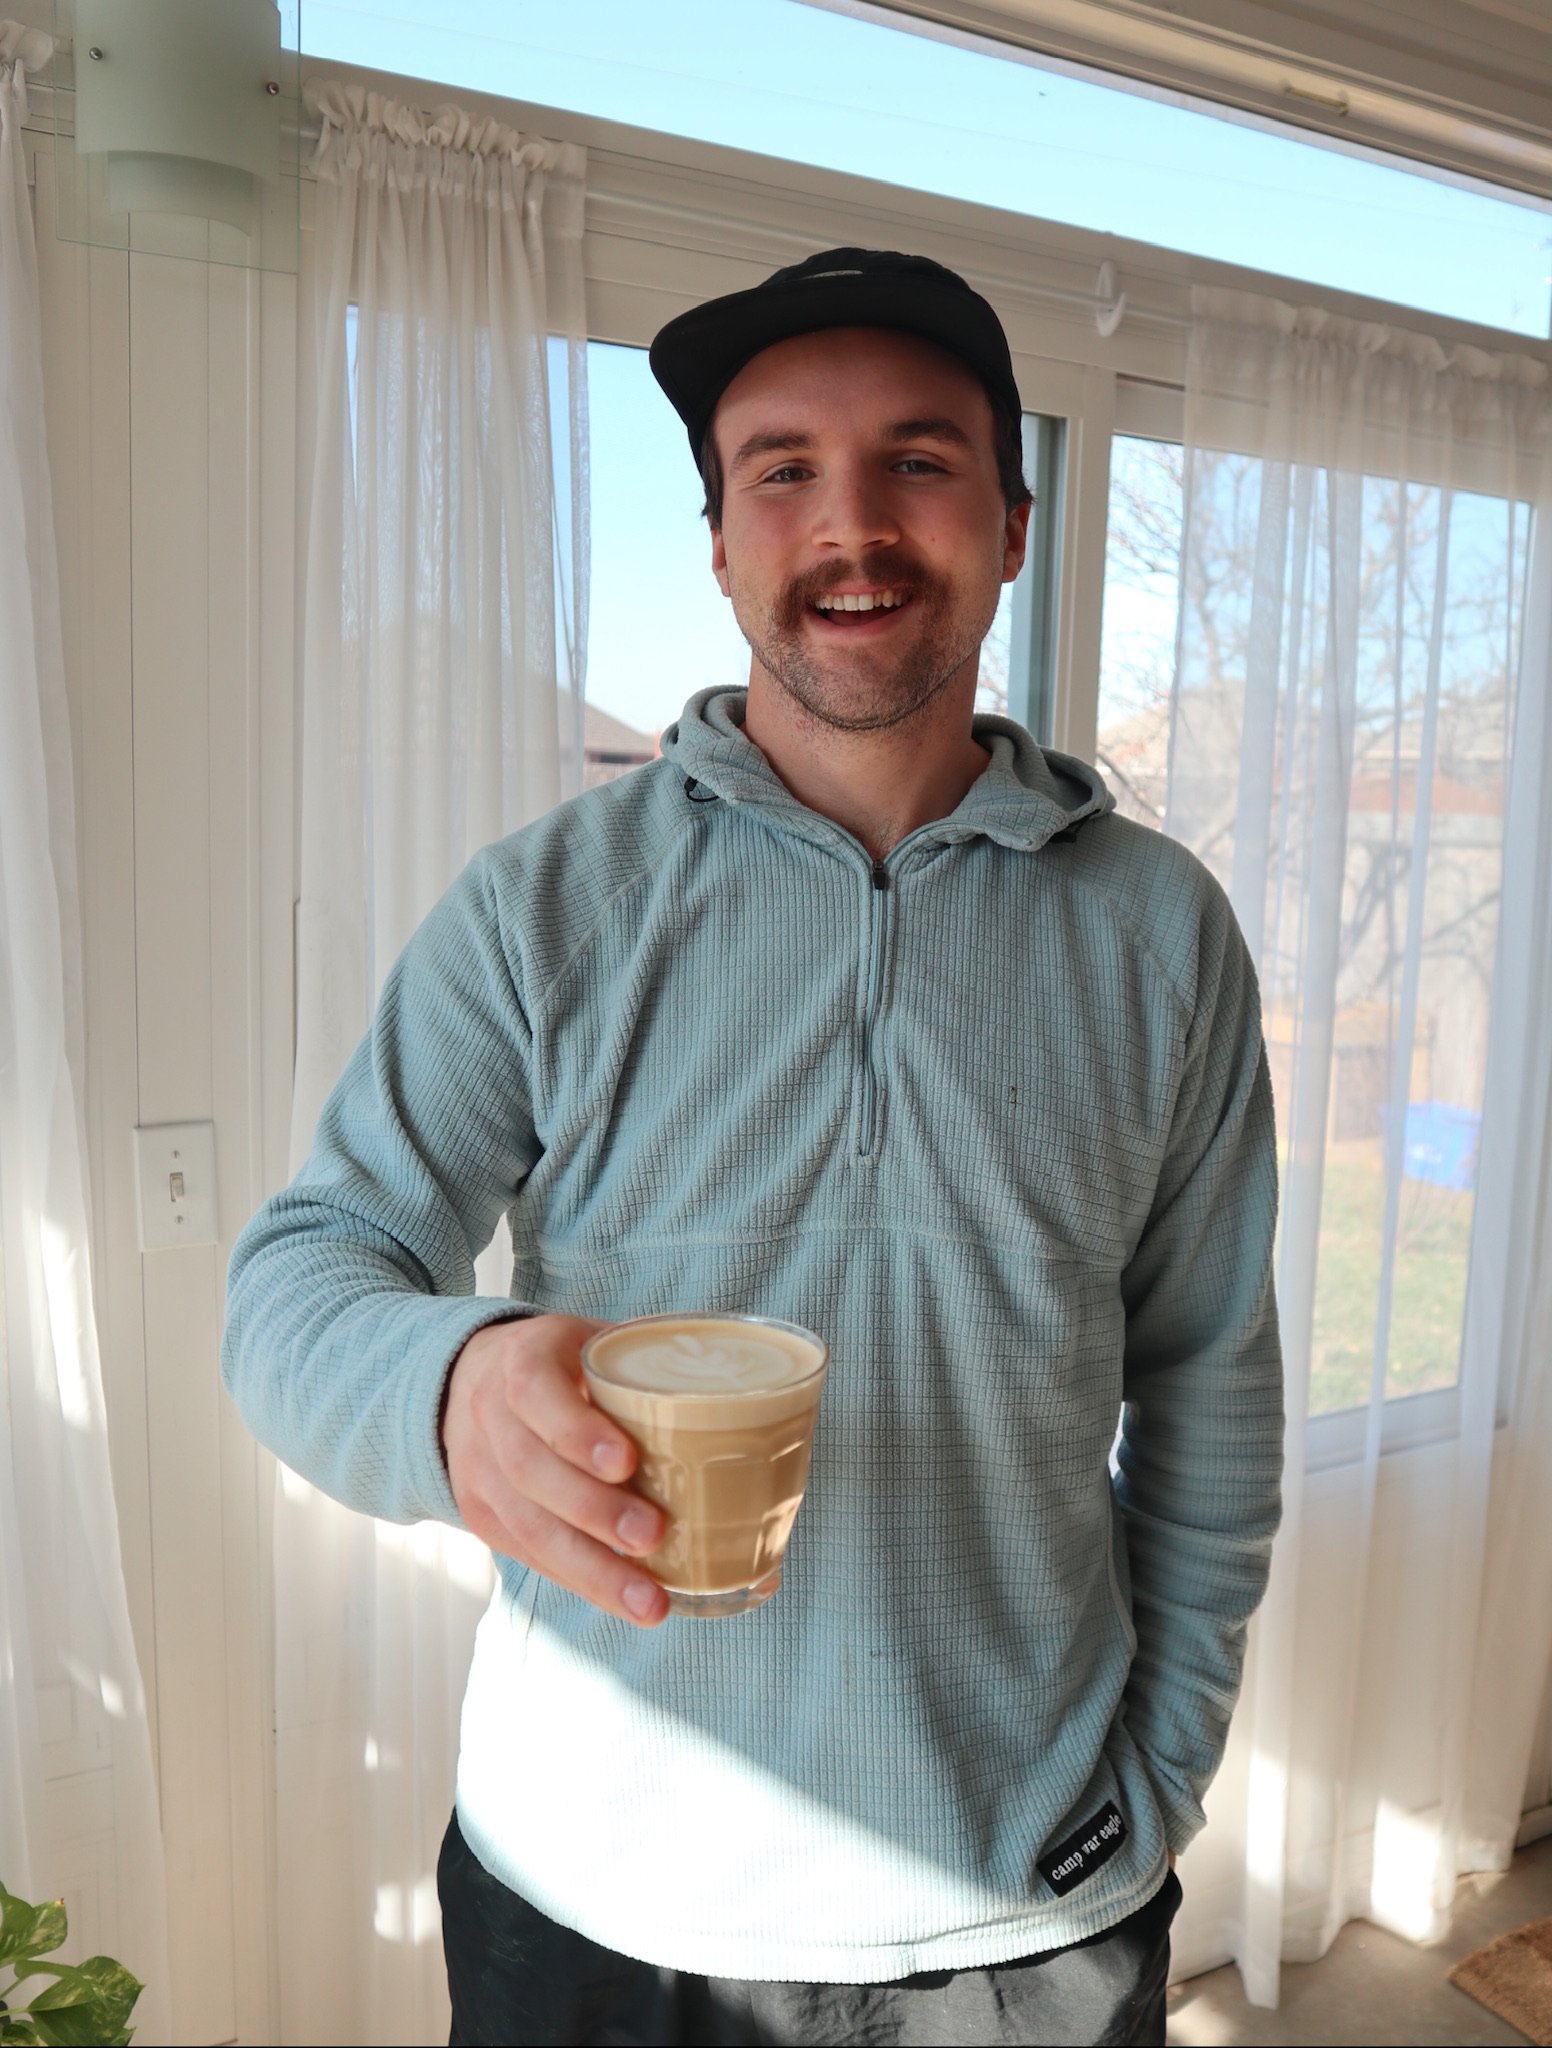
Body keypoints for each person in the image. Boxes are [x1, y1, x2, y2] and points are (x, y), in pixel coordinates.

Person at [222, 246, 1283, 2047]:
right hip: (590, 1909)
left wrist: (1161, 1771)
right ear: (718, 544)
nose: (850, 524)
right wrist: (454, 1383)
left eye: (920, 461)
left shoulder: (1162, 934)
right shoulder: (544, 908)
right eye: (782, 469)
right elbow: (298, 1280)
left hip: (1030, 1903)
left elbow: (1210, 1387)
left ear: (1012, 524)